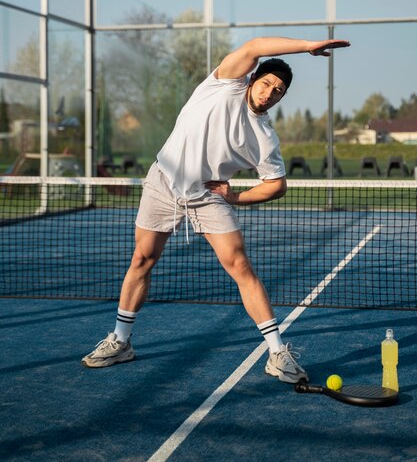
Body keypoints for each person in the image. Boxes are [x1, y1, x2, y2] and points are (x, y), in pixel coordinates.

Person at [82, 35, 350, 382]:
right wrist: (307, 46)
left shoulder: (264, 137)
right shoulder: (222, 84)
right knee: (142, 260)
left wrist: (235, 197)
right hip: (163, 181)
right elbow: (254, 47)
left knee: (239, 265)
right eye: (266, 82)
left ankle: (277, 353)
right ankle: (120, 341)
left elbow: (276, 186)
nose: (270, 92)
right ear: (252, 79)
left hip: (208, 196)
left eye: (279, 90)